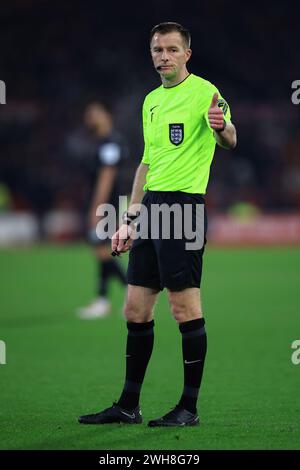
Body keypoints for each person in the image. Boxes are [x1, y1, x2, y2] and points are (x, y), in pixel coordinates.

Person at [79, 22, 236, 425]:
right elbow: (147, 164)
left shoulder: (206, 93)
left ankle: (189, 407)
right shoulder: (150, 101)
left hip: (184, 209)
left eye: (170, 49)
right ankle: (128, 406)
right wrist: (130, 217)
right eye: (156, 50)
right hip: (150, 209)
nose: (163, 57)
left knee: (183, 308)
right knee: (134, 309)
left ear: (187, 53)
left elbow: (229, 138)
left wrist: (223, 128)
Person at [77, 102, 127, 319]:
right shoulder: (104, 142)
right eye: (88, 115)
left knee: (101, 250)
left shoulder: (110, 143)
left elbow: (107, 176)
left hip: (107, 204)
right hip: (108, 203)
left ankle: (129, 293)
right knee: (103, 251)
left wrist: (97, 208)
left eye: (95, 113)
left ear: (107, 115)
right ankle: (103, 300)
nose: (90, 118)